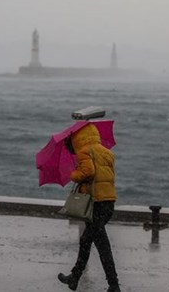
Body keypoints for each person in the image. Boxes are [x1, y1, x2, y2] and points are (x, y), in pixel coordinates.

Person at [58, 123, 121, 292]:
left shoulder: (85, 151)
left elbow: (89, 172)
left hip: (96, 204)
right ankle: (78, 278)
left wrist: (74, 174)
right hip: (108, 202)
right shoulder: (107, 152)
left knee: (94, 243)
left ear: (78, 138)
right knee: (94, 243)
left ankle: (110, 284)